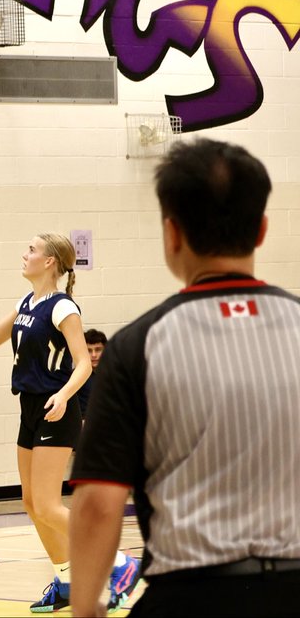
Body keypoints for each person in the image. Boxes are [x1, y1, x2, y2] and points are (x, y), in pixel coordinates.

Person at [69, 138, 300, 618]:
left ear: (171, 234)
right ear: (261, 230)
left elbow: (97, 504)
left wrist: (85, 609)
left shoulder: (135, 346)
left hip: (191, 595)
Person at [0, 233, 139, 613]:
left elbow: (83, 363)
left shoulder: (63, 307)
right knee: (31, 503)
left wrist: (65, 395)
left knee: (46, 504)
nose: (24, 254)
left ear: (49, 261)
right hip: (29, 407)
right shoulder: (26, 302)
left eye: (31, 250)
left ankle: (120, 562)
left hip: (56, 408)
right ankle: (66, 579)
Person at [75, 329, 107, 419]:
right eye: (89, 350)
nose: (94, 355)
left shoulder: (114, 374)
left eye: (98, 350)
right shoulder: (75, 376)